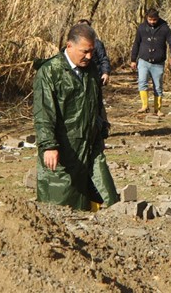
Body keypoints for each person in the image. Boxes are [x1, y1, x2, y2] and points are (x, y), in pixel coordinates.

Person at [33, 23, 119, 211]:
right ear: (69, 46)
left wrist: (101, 128)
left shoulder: (92, 69)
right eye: (84, 51)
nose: (89, 56)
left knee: (106, 195)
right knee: (61, 203)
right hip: (64, 148)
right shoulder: (50, 71)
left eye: (92, 51)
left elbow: (97, 104)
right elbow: (44, 112)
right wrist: (49, 146)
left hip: (90, 145)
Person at [130, 8, 171, 116]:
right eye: (150, 19)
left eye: (154, 20)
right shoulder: (141, 28)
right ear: (146, 18)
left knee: (158, 86)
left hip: (158, 63)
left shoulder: (164, 28)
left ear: (158, 18)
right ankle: (144, 106)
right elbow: (136, 43)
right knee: (142, 82)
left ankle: (158, 109)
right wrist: (133, 59)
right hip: (143, 61)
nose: (152, 22)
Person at [77, 19, 111, 86]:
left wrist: (105, 73)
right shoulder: (73, 44)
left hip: (94, 78)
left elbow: (103, 59)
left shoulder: (97, 44)